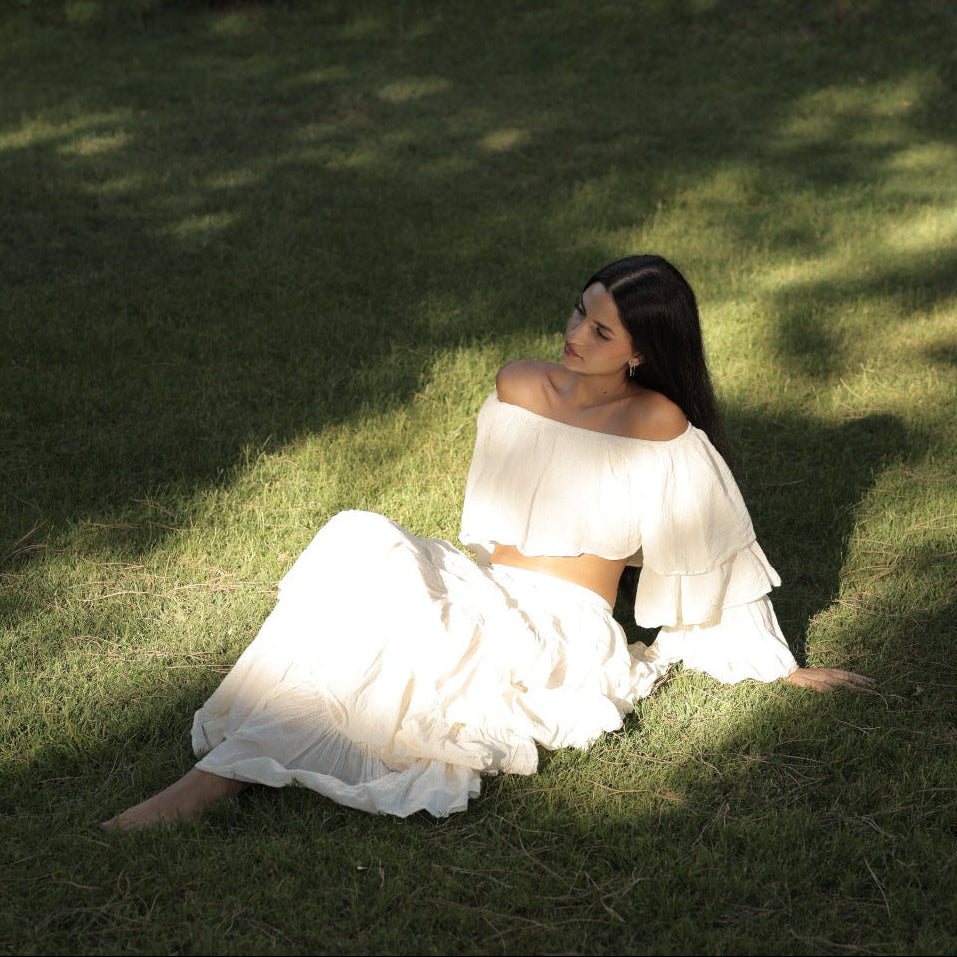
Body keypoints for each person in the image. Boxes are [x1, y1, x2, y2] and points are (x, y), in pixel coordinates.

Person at [101, 254, 873, 831]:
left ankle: (212, 784)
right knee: (360, 539)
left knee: (399, 636)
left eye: (600, 331)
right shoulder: (519, 386)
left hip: (559, 627)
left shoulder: (657, 425)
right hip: (486, 582)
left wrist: (781, 668)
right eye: (577, 313)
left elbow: (711, 556)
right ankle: (245, 760)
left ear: (639, 350)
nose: (574, 335)